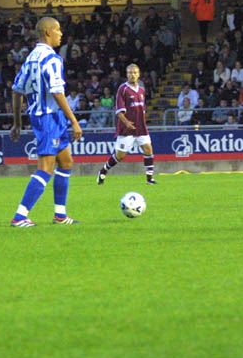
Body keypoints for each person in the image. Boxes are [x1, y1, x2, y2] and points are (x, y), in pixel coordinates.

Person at [9, 16, 83, 227]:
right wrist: (74, 121)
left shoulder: (30, 58)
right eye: (58, 30)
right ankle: (20, 215)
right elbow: (58, 92)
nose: (61, 33)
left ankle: (60, 214)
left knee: (66, 161)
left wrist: (17, 122)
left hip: (49, 117)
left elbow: (16, 91)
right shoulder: (52, 59)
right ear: (48, 32)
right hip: (48, 117)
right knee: (46, 168)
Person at [96, 63, 156, 185]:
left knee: (148, 149)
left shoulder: (141, 90)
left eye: (134, 72)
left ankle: (150, 179)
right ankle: (103, 171)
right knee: (120, 156)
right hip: (126, 129)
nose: (132, 75)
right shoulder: (123, 89)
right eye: (130, 73)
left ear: (138, 74)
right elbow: (118, 111)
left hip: (141, 128)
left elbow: (141, 109)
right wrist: (127, 122)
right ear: (127, 74)